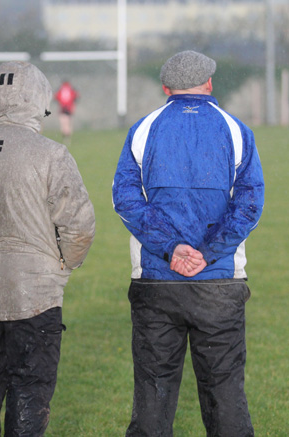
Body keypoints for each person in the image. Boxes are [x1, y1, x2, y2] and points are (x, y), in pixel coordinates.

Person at [112, 50, 264, 436]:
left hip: (156, 282)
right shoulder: (236, 130)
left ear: (166, 88)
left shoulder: (143, 129)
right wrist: (209, 252)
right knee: (226, 397)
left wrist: (171, 248)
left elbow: (125, 199)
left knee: (153, 397)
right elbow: (249, 203)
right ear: (209, 83)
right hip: (219, 283)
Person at [0, 61, 95, 436]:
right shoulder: (52, 154)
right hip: (36, 297)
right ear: (39, 99)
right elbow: (80, 226)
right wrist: (61, 266)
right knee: (30, 394)